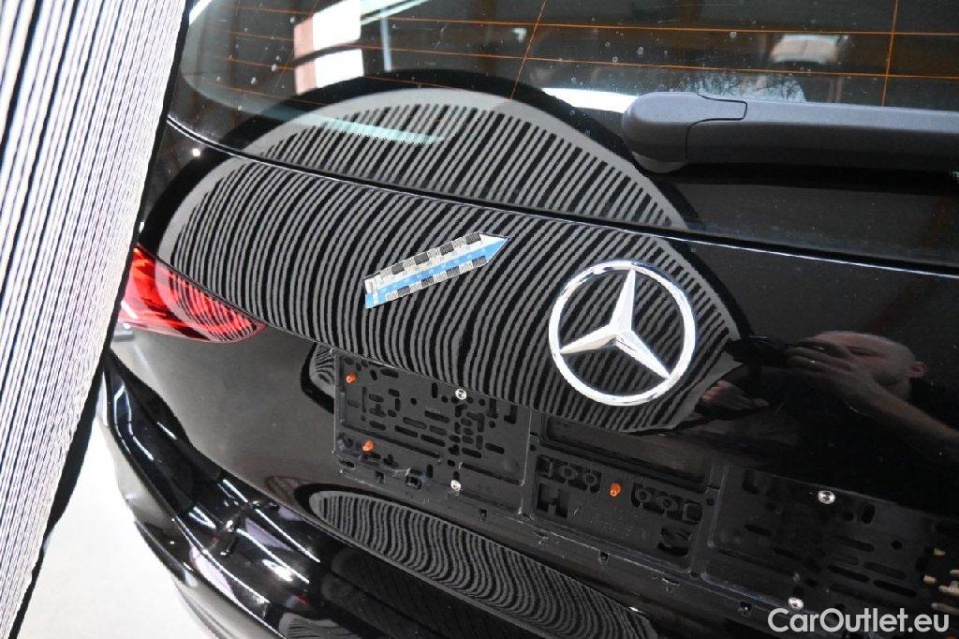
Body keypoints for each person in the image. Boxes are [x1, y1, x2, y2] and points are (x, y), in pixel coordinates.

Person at [698, 331, 959, 511]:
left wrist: (868, 396)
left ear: (915, 370)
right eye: (820, 354)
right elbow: (725, 395)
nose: (837, 362)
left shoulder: (946, 402)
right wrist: (716, 398)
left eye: (858, 353)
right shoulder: (803, 385)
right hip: (795, 505)